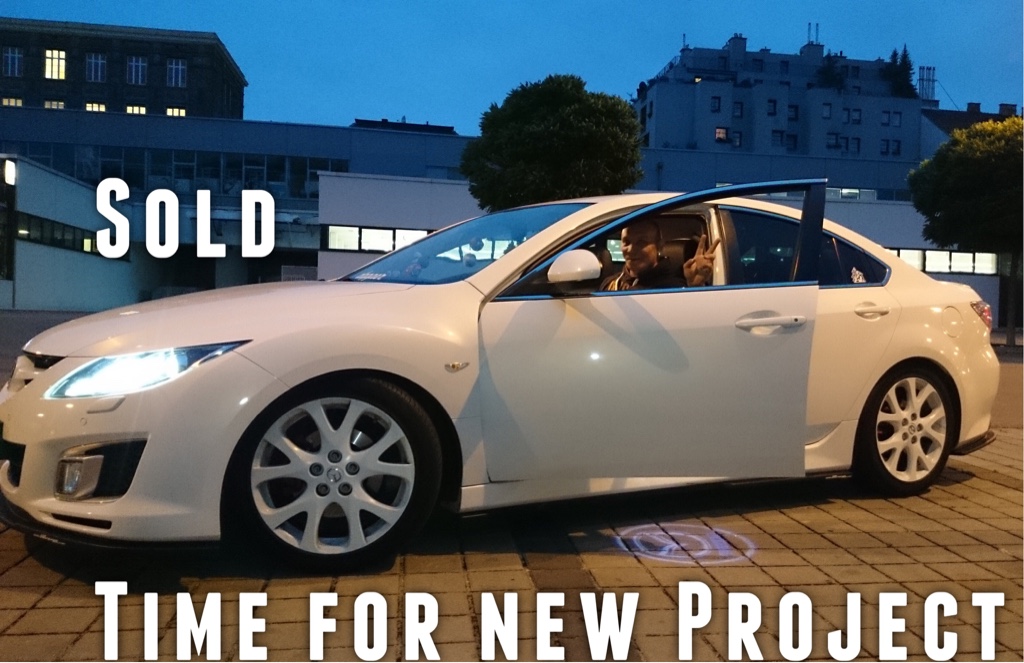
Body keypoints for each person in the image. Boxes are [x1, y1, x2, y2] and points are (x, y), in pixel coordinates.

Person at [600, 220, 720, 291]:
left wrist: (694, 286)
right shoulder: (610, 284)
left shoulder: (674, 286)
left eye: (642, 242)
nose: (631, 249)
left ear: (659, 245)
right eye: (626, 242)